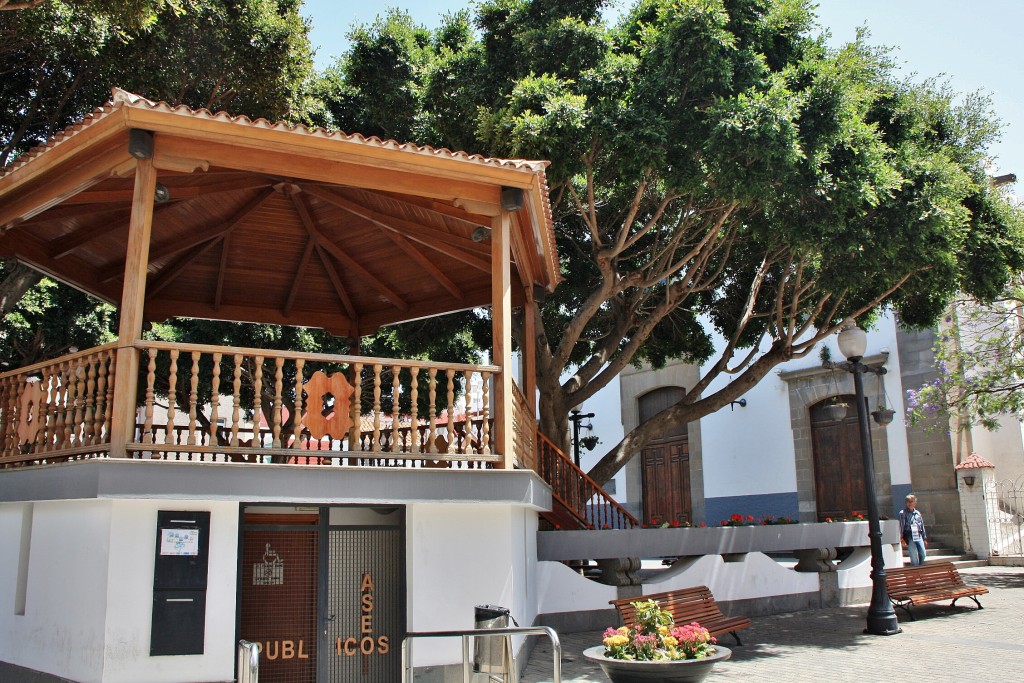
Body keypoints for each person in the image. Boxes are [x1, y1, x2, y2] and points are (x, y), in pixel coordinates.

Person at [899, 494, 927, 566]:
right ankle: (915, 570)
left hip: (918, 534)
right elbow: (901, 526)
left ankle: (919, 567)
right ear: (906, 503)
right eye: (908, 501)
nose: (910, 503)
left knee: (923, 553)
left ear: (915, 503)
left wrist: (924, 538)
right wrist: (901, 538)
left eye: (912, 501)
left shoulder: (918, 513)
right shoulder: (903, 513)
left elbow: (921, 525)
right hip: (909, 535)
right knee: (914, 554)